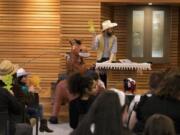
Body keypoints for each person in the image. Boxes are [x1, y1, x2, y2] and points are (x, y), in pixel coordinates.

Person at [49, 39, 88, 124]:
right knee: (61, 86)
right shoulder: (72, 58)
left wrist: (80, 61)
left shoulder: (78, 59)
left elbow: (81, 70)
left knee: (62, 86)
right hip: (72, 80)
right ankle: (54, 115)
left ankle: (54, 115)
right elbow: (73, 68)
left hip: (76, 81)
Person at [14, 68, 53, 133]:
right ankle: (42, 125)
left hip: (26, 106)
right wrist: (31, 92)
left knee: (40, 106)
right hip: (23, 108)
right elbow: (27, 100)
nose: (26, 78)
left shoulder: (23, 86)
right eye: (24, 77)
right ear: (19, 78)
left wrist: (33, 92)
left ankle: (42, 125)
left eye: (26, 76)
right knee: (38, 109)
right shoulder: (20, 87)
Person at [0, 60, 32, 135]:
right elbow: (19, 109)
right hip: (8, 126)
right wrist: (31, 93)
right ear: (13, 76)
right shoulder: (15, 89)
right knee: (27, 127)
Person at [92, 20, 118, 86]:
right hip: (101, 59)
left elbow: (113, 50)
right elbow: (94, 48)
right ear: (106, 29)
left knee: (109, 76)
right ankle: (103, 89)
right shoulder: (98, 37)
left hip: (110, 59)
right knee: (101, 76)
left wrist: (110, 60)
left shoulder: (114, 38)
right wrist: (93, 38)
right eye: (110, 28)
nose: (112, 30)